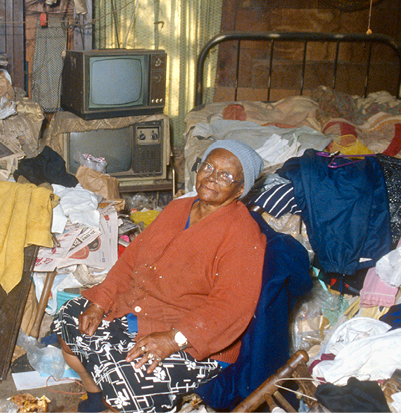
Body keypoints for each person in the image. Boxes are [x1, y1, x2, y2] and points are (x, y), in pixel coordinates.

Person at [53, 139, 267, 413]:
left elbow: (230, 308)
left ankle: (112, 401)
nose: (212, 178)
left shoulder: (242, 235)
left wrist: (172, 339)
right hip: (143, 310)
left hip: (194, 338)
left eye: (226, 176)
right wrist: (100, 302)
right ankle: (95, 400)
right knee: (70, 316)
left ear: (240, 189)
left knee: (126, 388)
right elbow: (131, 260)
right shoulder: (179, 208)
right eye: (208, 167)